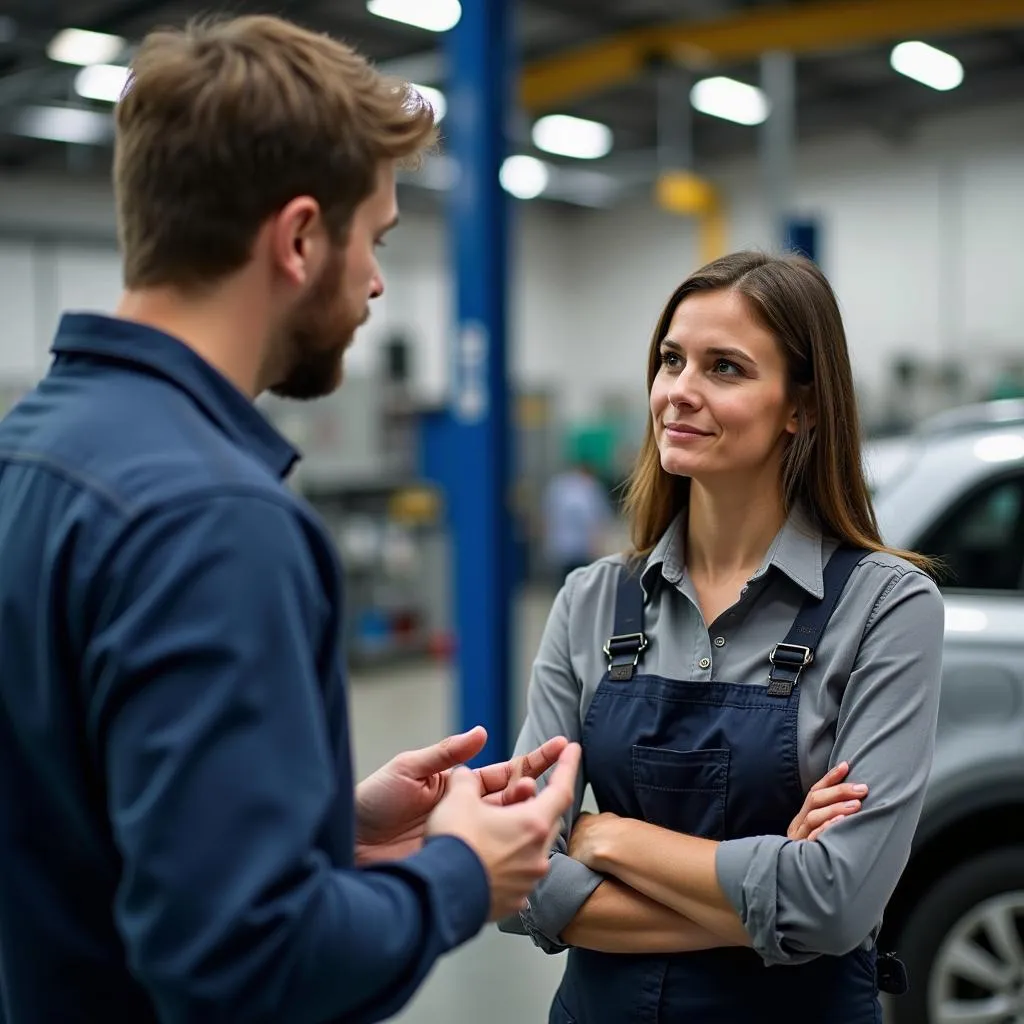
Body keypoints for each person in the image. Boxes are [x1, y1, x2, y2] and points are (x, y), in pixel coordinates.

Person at [0, 15, 581, 1024]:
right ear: (302, 237)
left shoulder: (31, 451)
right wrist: (458, 872)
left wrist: (325, 826)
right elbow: (241, 966)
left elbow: (82, 819)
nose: (376, 282)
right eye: (377, 239)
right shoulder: (216, 517)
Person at [501, 252, 945, 1023]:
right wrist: (772, 903)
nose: (680, 391)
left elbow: (837, 904)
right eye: (672, 360)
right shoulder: (590, 601)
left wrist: (609, 841)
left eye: (726, 368)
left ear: (801, 407)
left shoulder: (886, 607)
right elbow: (516, 873)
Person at [542, 460, 615, 582]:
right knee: (580, 581)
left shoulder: (558, 486)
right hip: (579, 546)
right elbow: (599, 518)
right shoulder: (591, 488)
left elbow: (547, 513)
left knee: (565, 582)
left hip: (566, 544)